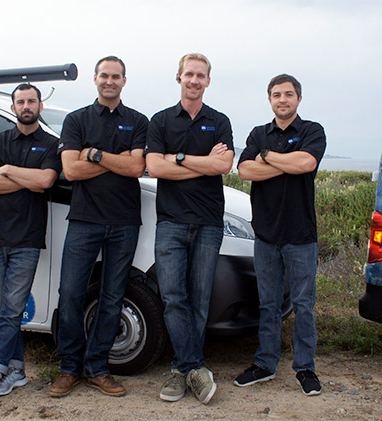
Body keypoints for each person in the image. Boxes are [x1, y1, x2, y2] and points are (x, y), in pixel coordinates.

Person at [49, 56, 148, 398]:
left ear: (124, 80)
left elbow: (136, 167)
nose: (110, 81)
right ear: (95, 79)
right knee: (72, 294)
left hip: (124, 222)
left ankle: (98, 369)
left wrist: (95, 155)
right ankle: (69, 369)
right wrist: (115, 160)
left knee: (112, 297)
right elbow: (71, 172)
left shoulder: (137, 120)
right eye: (104, 75)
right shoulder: (76, 120)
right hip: (84, 220)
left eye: (116, 76)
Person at [145, 53, 234, 405]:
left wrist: (178, 158)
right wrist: (202, 164)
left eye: (201, 75)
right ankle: (194, 367)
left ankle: (182, 371)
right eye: (189, 74)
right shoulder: (162, 121)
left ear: (208, 81)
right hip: (171, 221)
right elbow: (155, 167)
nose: (194, 80)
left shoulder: (220, 120)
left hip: (208, 222)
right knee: (172, 297)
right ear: (178, 78)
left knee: (199, 299)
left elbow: (224, 165)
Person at [234, 74, 326, 396]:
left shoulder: (312, 131)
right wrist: (287, 162)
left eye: (288, 94)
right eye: (276, 94)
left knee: (303, 304)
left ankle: (305, 369)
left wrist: (269, 157)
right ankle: (265, 363)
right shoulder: (259, 133)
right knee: (268, 304)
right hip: (266, 235)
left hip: (301, 235)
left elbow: (306, 162)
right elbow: (244, 170)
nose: (282, 99)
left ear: (299, 99)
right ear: (269, 99)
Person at [0, 83, 61, 401]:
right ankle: (17, 370)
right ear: (13, 107)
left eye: (31, 101)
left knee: (11, 310)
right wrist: (25, 179)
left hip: (27, 239)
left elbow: (46, 180)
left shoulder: (51, 144)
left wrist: (6, 171)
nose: (26, 105)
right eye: (20, 101)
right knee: (4, 310)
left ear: (40, 106)